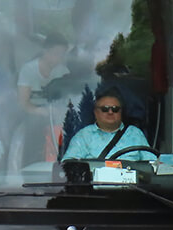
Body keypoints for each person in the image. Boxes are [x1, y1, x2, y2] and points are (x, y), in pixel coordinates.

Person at [17, 33, 71, 165]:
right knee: (34, 126)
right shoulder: (28, 70)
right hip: (32, 115)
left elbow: (67, 101)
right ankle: (31, 162)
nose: (59, 58)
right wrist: (40, 111)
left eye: (62, 54)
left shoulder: (63, 71)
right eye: (56, 53)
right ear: (45, 51)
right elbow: (23, 103)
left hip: (55, 116)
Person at [62, 88, 152, 161]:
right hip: (95, 183)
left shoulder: (135, 134)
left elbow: (153, 164)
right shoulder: (84, 136)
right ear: (96, 112)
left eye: (115, 109)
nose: (110, 112)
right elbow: (68, 165)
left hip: (130, 183)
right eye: (105, 109)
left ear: (121, 112)